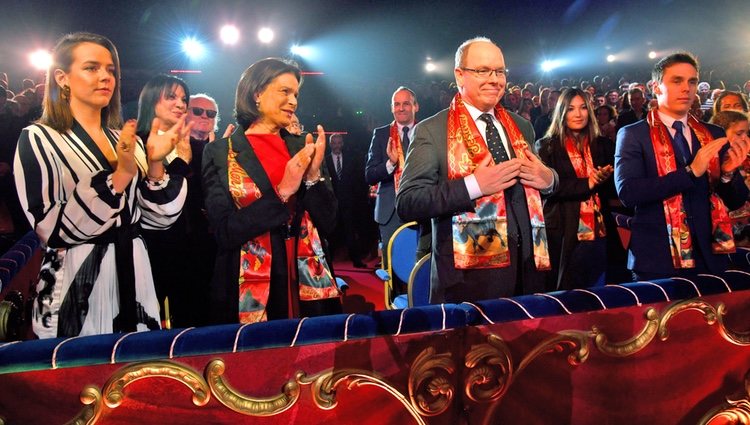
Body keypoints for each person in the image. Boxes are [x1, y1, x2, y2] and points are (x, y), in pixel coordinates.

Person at [14, 32, 188, 338]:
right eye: (92, 68)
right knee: (81, 377)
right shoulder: (39, 138)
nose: (105, 77)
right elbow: (52, 228)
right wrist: (119, 176)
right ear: (62, 77)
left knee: (137, 373)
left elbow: (158, 220)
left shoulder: (122, 138)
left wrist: (156, 162)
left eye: (110, 70)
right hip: (75, 278)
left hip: (136, 270)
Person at [397, 37, 558, 304]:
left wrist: (549, 180)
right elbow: (408, 202)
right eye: (483, 71)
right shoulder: (432, 130)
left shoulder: (521, 126)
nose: (495, 79)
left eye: (500, 71)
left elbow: (538, 182)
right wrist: (473, 186)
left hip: (528, 274)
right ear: (459, 75)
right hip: (467, 284)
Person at [202, 58, 340, 324]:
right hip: (250, 278)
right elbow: (224, 232)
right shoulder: (220, 152)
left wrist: (313, 179)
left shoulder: (304, 144)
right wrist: (282, 193)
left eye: (296, 94)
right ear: (257, 93)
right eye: (284, 91)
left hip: (306, 276)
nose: (294, 101)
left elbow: (330, 223)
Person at [615, 52, 750, 280]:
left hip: (710, 255)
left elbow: (735, 201)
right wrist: (689, 172)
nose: (686, 88)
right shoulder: (633, 134)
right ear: (656, 87)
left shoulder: (712, 133)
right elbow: (628, 193)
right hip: (658, 259)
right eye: (676, 81)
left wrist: (727, 175)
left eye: (692, 81)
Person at [535, 88, 615, 290]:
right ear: (562, 112)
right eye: (571, 109)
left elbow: (613, 190)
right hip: (563, 230)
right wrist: (586, 183)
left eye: (582, 108)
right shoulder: (546, 147)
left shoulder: (602, 144)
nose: (578, 114)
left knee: (600, 291)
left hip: (599, 229)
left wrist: (605, 176)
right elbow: (547, 187)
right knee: (566, 294)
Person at [135, 74, 194, 327]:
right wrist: (182, 164)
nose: (181, 104)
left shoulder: (189, 144)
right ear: (151, 100)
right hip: (150, 253)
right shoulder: (136, 142)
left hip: (186, 252)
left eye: (184, 99)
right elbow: (159, 204)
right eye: (171, 96)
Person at [365, 87, 419, 261]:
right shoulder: (381, 134)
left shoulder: (426, 131)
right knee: (393, 265)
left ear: (415, 107)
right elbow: (369, 175)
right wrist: (390, 164)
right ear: (391, 108)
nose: (401, 108)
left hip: (421, 208)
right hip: (389, 212)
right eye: (396, 104)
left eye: (406, 104)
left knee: (420, 264)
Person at [326, 132, 369, 268]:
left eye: (339, 143)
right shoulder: (324, 161)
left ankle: (356, 260)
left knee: (351, 231)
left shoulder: (352, 159)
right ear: (330, 144)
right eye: (334, 143)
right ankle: (328, 263)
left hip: (350, 203)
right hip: (331, 204)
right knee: (331, 234)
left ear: (342, 144)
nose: (337, 146)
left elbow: (359, 180)